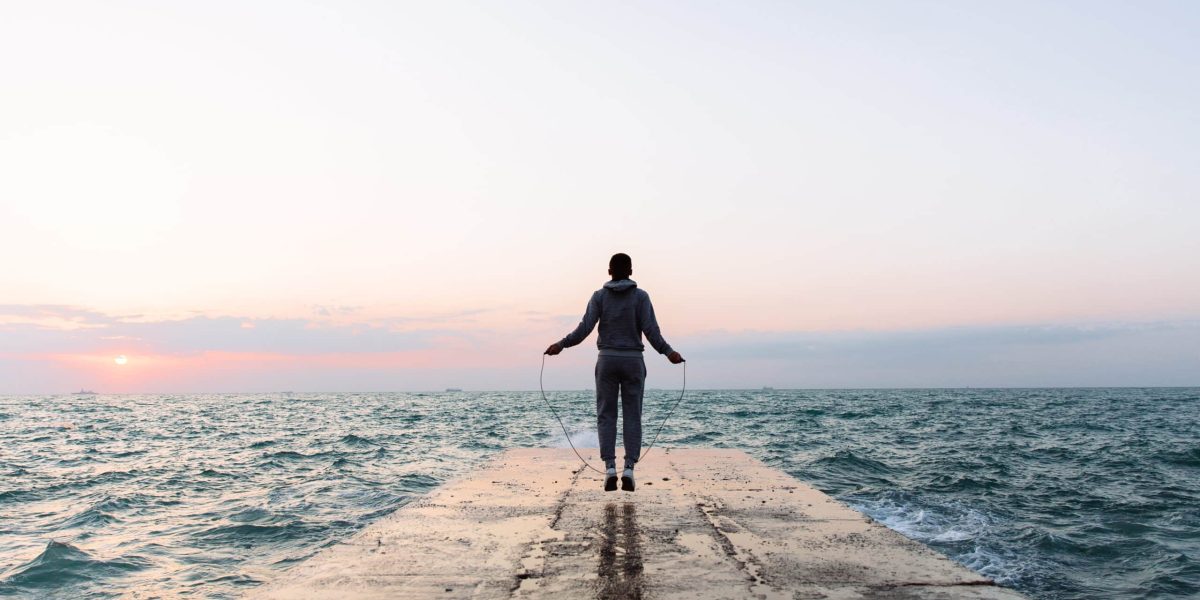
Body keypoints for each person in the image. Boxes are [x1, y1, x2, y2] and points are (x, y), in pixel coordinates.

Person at [545, 253, 684, 492]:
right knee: (633, 416)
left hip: (607, 359)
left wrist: (561, 344)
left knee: (606, 415)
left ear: (609, 272)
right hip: (633, 361)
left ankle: (610, 468)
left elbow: (584, 328)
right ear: (631, 271)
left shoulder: (599, 296)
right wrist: (669, 352)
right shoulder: (641, 297)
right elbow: (652, 331)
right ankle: (629, 469)